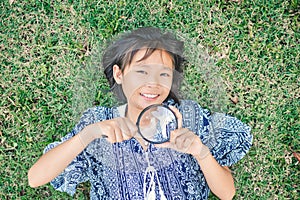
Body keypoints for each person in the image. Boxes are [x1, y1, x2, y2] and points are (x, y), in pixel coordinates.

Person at [28, 27, 253, 200]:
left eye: (164, 74)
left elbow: (227, 194)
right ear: (119, 74)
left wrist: (200, 152)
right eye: (142, 71)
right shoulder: (98, 122)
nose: (152, 84)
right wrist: (88, 135)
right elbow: (36, 178)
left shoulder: (190, 117)